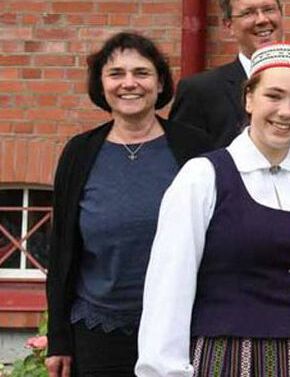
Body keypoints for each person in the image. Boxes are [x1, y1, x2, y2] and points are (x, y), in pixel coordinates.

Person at [137, 44, 290, 376]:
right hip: (227, 361)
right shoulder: (203, 177)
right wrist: (164, 370)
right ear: (249, 99)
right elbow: (169, 288)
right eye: (274, 96)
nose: (286, 112)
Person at [46, 33, 213, 377]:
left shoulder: (194, 147)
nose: (129, 83)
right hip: (99, 331)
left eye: (142, 72)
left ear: (160, 82)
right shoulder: (79, 153)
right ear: (101, 84)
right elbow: (61, 249)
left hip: (183, 328)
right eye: (116, 73)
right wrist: (58, 338)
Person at [170, 0, 281, 147]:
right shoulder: (200, 92)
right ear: (228, 25)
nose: (262, 20)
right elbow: (183, 161)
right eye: (248, 13)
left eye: (269, 9)